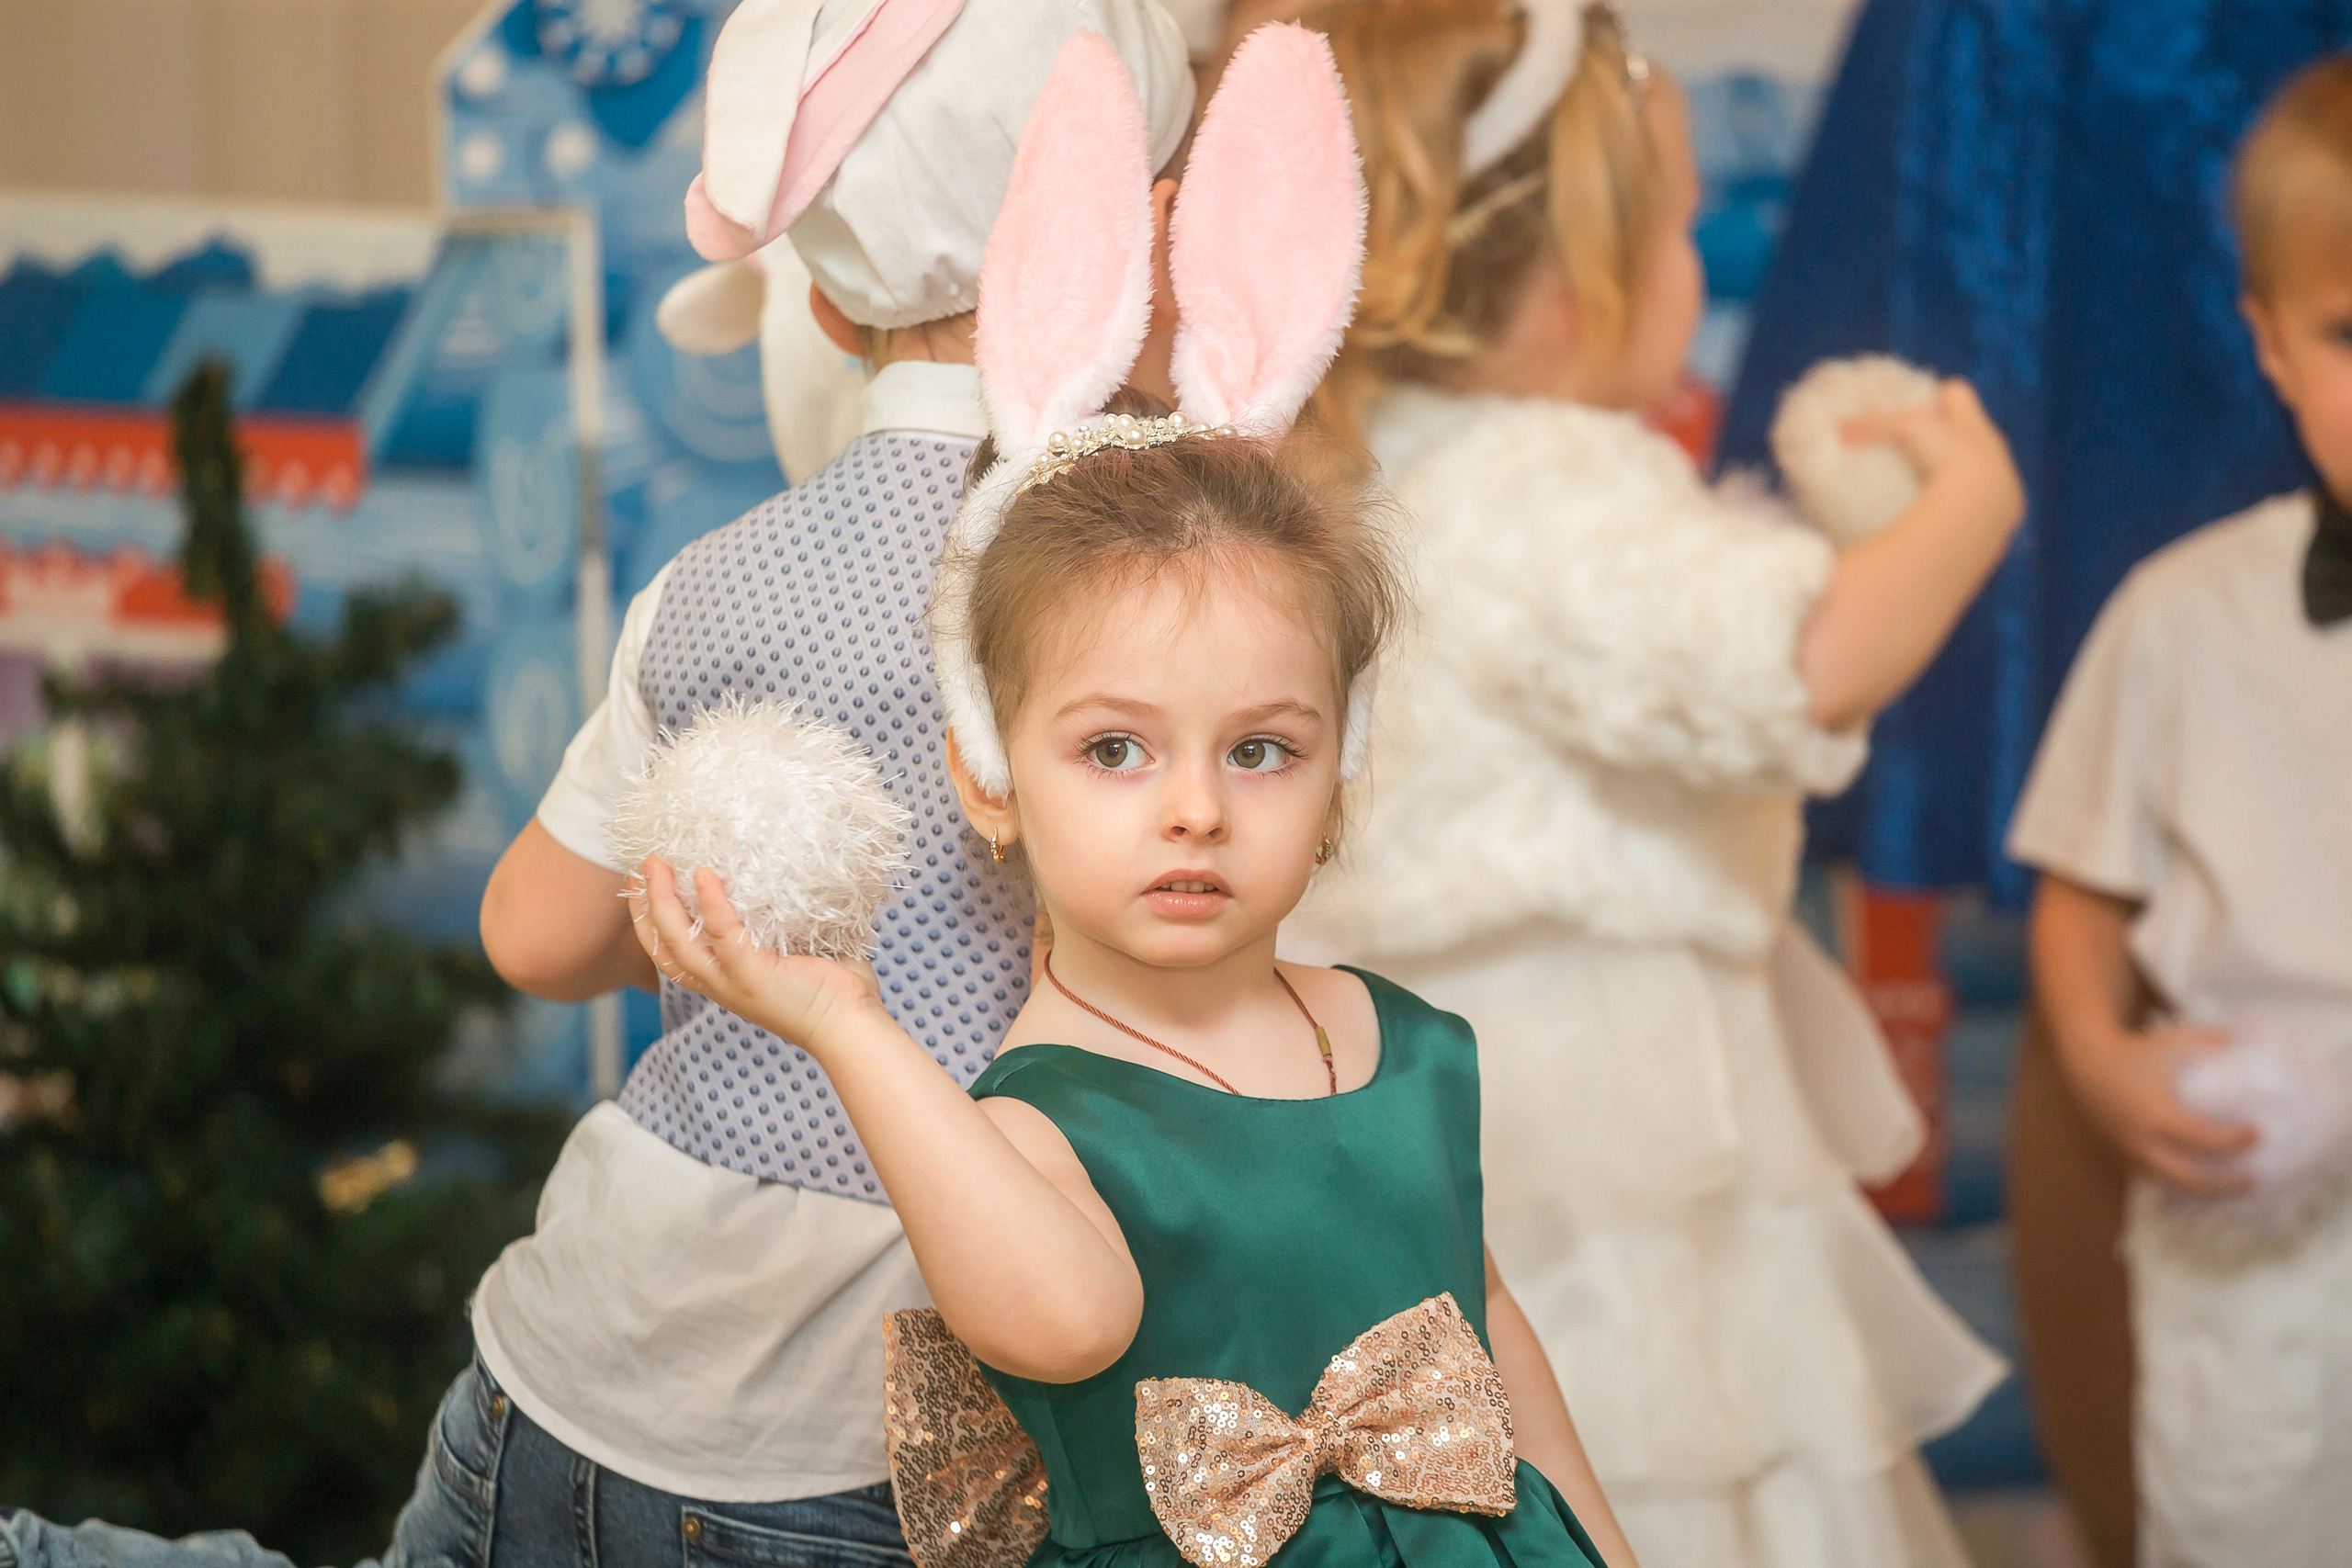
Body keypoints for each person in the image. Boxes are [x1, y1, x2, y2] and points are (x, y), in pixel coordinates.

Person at [0, 6, 1194, 1568]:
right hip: (862, 1452)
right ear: (1129, 231)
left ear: (827, 310)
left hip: (560, 1370)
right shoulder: (1159, 619)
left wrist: (730, 910)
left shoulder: (706, 588)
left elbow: (531, 934)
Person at [629, 26, 1644, 1568]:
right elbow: (1067, 1314)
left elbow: (1487, 1364)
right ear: (990, 772)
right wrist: (843, 1019)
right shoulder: (1040, 1104)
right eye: (1115, 751)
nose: (1196, 809)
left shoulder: (1402, 1046)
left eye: (1262, 750)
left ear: (1339, 772)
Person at [1278, 3, 2022, 1565]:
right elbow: (1794, 663)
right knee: (1672, 1439)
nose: (1695, 270)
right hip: (1602, 1106)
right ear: (1569, 286)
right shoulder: (1552, 482)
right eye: (1679, 232)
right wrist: (1967, 506)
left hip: (1423, 1083)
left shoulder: (1367, 467)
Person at [2007, 54, 2352, 1568]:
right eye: (2351, 335)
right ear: (2269, 345)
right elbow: (2087, 888)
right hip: (2255, 1224)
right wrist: (2098, 1056)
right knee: (2252, 1519)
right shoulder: (2179, 614)